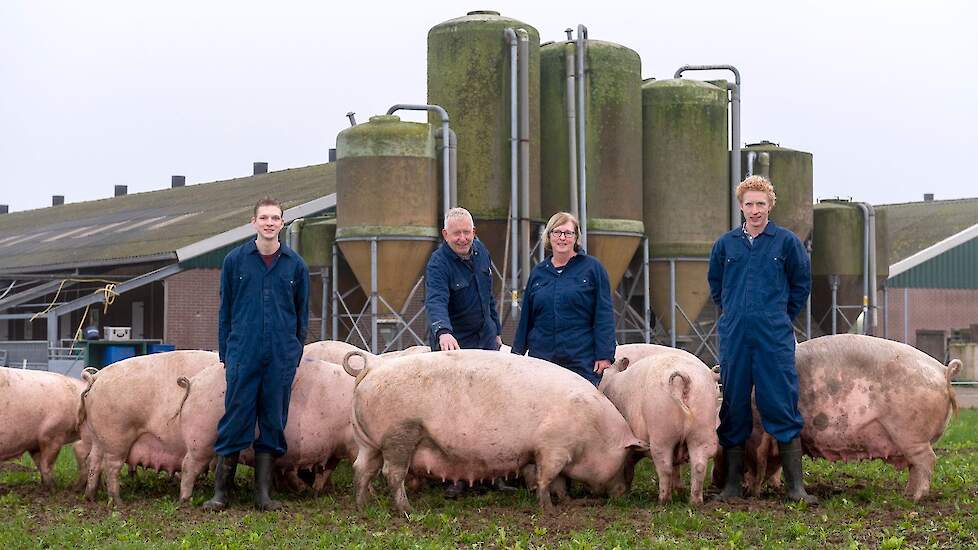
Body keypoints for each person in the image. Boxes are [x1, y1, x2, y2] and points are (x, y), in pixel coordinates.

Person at [707, 175, 816, 504]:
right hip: (736, 335)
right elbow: (717, 287)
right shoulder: (726, 245)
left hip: (773, 336)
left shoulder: (785, 243)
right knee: (734, 404)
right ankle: (731, 486)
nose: (755, 210)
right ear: (740, 206)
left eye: (761, 204)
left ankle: (795, 487)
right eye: (749, 204)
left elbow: (801, 285)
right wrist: (736, 314)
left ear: (770, 205)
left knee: (780, 402)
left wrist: (778, 315)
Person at [205, 197, 310, 511]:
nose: (269, 223)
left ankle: (262, 495)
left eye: (275, 218)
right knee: (236, 417)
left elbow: (301, 315)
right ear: (253, 222)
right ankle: (221, 493)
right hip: (243, 353)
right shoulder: (235, 261)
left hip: (280, 356)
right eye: (263, 218)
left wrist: (292, 353)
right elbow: (225, 312)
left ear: (282, 223)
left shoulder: (295, 265)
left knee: (273, 421)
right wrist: (229, 354)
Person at [424, 207, 510, 497]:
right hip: (454, 346)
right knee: (455, 415)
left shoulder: (481, 252)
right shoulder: (438, 264)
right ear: (445, 234)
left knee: (488, 410)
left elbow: (488, 296)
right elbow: (435, 300)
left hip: (484, 342)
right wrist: (442, 331)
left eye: (467, 232)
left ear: (474, 232)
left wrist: (496, 329)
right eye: (456, 233)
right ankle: (455, 477)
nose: (462, 238)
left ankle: (491, 474)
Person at [511, 211, 615, 386]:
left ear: (576, 237)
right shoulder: (539, 272)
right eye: (557, 232)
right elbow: (526, 318)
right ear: (549, 236)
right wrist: (516, 356)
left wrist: (604, 355)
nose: (562, 238)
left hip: (580, 360)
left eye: (568, 233)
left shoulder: (592, 269)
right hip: (542, 361)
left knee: (580, 410)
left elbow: (604, 315)